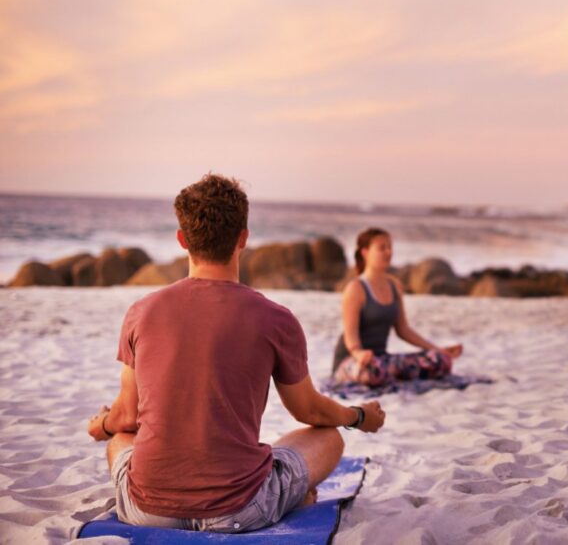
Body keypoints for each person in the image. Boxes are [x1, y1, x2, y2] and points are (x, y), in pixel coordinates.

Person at [85, 174, 386, 533]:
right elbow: (309, 410)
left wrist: (101, 426)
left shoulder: (142, 311)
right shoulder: (276, 318)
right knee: (330, 437)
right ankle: (289, 495)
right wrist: (357, 416)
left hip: (147, 510)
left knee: (121, 440)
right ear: (243, 238)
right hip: (241, 511)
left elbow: (126, 417)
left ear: (182, 239)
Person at [331, 228, 463, 385]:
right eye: (382, 248)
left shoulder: (394, 285)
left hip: (382, 359)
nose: (388, 252)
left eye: (390, 247)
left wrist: (436, 349)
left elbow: (403, 329)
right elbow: (350, 334)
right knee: (373, 372)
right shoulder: (355, 288)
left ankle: (393, 374)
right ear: (365, 252)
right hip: (352, 361)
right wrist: (358, 353)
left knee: (440, 361)